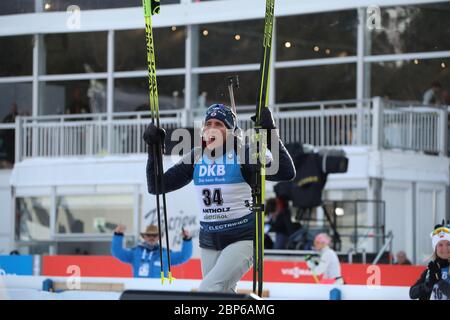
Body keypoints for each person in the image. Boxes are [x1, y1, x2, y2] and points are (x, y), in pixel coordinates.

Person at [143, 103, 296, 292]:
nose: (212, 128)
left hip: (243, 237)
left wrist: (270, 132)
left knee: (208, 289)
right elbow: (157, 186)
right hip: (209, 239)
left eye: (219, 124)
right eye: (209, 123)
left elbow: (286, 172)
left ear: (231, 132)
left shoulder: (244, 153)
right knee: (221, 294)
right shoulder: (197, 156)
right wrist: (153, 149)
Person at [111, 224, 192, 278]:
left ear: (158, 237)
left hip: (160, 293)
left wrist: (187, 240)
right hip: (140, 293)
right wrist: (118, 235)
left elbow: (183, 256)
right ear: (144, 237)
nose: (151, 237)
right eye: (149, 235)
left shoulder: (165, 254)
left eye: (154, 235)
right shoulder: (136, 252)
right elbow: (117, 252)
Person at [410, 222, 450, 300]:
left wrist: (439, 281)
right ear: (435, 249)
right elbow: (412, 293)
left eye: (448, 244)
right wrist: (428, 284)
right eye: (440, 245)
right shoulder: (432, 269)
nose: (445, 248)